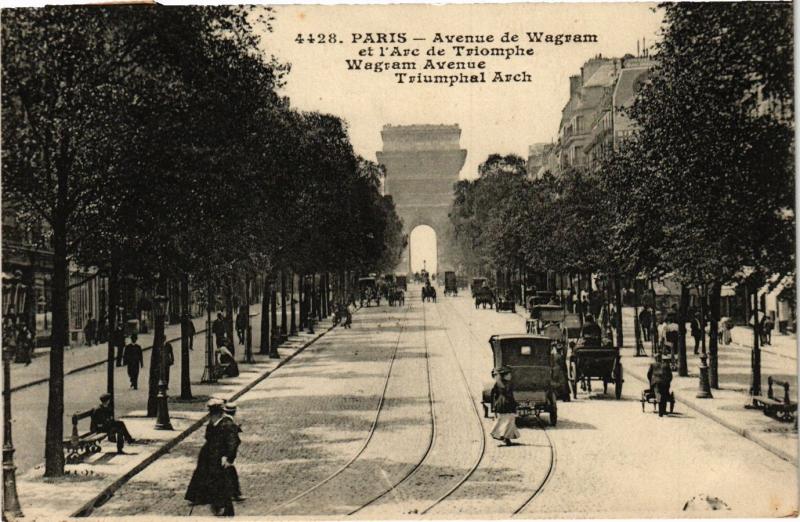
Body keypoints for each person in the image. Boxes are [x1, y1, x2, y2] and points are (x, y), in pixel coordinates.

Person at [185, 398, 238, 516]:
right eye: (211, 413)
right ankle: (213, 504)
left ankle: (225, 510)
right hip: (209, 458)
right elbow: (208, 437)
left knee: (221, 483)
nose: (211, 416)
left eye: (213, 413)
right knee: (208, 479)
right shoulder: (212, 424)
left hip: (219, 459)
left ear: (219, 413)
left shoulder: (227, 424)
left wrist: (229, 458)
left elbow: (233, 442)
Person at [489, 366, 520, 445]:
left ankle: (505, 437)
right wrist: (514, 404)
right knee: (509, 421)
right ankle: (502, 436)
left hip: (500, 404)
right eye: (509, 375)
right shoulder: (507, 384)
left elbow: (493, 394)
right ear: (505, 375)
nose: (510, 376)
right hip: (506, 404)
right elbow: (509, 396)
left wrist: (494, 405)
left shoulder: (498, 383)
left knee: (504, 420)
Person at [222, 402, 245, 502]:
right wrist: (229, 457)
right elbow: (232, 443)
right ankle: (235, 494)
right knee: (230, 472)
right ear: (234, 412)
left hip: (218, 453)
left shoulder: (224, 421)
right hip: (224, 454)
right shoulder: (230, 424)